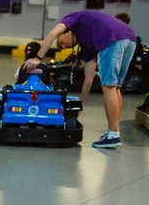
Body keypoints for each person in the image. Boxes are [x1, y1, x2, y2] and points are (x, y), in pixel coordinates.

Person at [23, 10, 136, 148]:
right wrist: (80, 105)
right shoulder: (87, 43)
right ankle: (114, 132)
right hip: (130, 38)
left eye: (62, 42)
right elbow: (88, 80)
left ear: (67, 31)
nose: (64, 46)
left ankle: (113, 135)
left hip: (112, 39)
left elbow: (52, 33)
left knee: (109, 86)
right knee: (115, 87)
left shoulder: (72, 17)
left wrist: (37, 58)